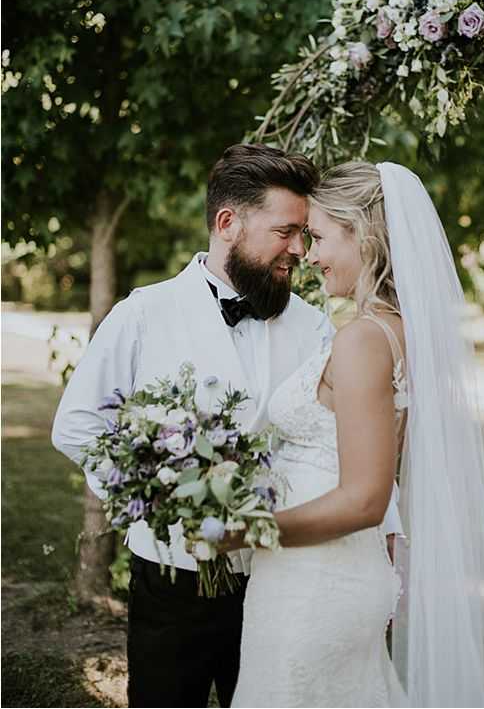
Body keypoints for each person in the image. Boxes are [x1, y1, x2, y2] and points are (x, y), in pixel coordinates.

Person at [51, 143, 402, 708]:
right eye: (286, 231)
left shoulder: (316, 327)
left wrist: (382, 549)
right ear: (227, 223)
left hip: (283, 572)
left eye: (307, 234)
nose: (299, 249)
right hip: (171, 574)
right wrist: (155, 500)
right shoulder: (144, 313)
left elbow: (353, 448)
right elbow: (76, 425)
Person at [229, 161, 484, 709]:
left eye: (318, 237)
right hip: (328, 571)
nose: (309, 255)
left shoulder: (364, 339)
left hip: (316, 580)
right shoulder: (396, 332)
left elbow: (367, 497)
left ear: (363, 235)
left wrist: (249, 530)